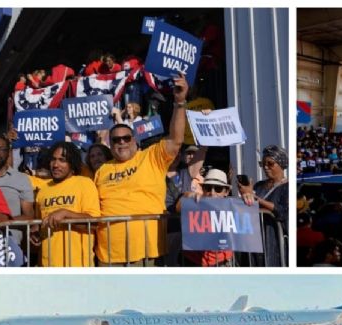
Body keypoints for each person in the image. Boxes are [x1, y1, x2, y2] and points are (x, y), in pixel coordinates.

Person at [94, 72, 188, 266]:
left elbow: (176, 140)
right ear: (110, 145)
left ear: (135, 141)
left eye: (126, 138)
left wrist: (180, 102)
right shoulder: (102, 170)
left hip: (147, 254)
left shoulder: (151, 157)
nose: (121, 143)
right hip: (108, 255)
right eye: (116, 140)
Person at [33, 141, 101, 267]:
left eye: (62, 160)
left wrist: (65, 213)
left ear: (72, 163)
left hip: (77, 265)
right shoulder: (43, 190)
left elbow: (94, 223)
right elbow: (39, 227)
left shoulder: (84, 183)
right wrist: (35, 234)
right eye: (53, 159)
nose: (56, 164)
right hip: (48, 266)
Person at [240, 145, 289, 267]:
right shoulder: (258, 186)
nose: (265, 167)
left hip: (273, 238)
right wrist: (245, 194)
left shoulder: (288, 186)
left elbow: (282, 211)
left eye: (270, 163)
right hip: (254, 237)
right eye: (262, 164)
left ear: (281, 164)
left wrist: (257, 199)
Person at [0, 135, 36, 247]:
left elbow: (29, 217)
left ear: (8, 153)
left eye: (2, 150)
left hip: (9, 248)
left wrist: (1, 222)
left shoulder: (21, 179)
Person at [177, 168, 233, 267]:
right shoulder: (195, 202)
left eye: (218, 189)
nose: (212, 193)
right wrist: (187, 195)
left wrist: (248, 196)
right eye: (208, 188)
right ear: (203, 189)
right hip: (192, 261)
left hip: (220, 263)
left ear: (226, 192)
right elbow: (178, 207)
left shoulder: (233, 206)